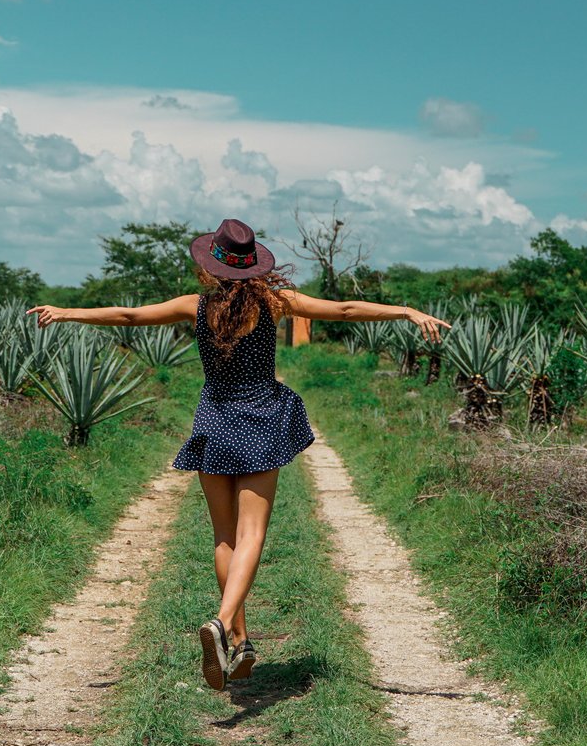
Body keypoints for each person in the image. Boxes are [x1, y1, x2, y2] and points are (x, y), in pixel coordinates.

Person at [29, 218, 449, 690]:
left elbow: (129, 316)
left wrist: (67, 312)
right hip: (260, 421)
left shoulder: (196, 306)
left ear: (212, 266)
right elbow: (346, 309)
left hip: (214, 419)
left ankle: (241, 640)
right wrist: (405, 311)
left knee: (224, 538)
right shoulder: (275, 302)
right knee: (252, 535)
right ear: (254, 265)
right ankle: (223, 620)